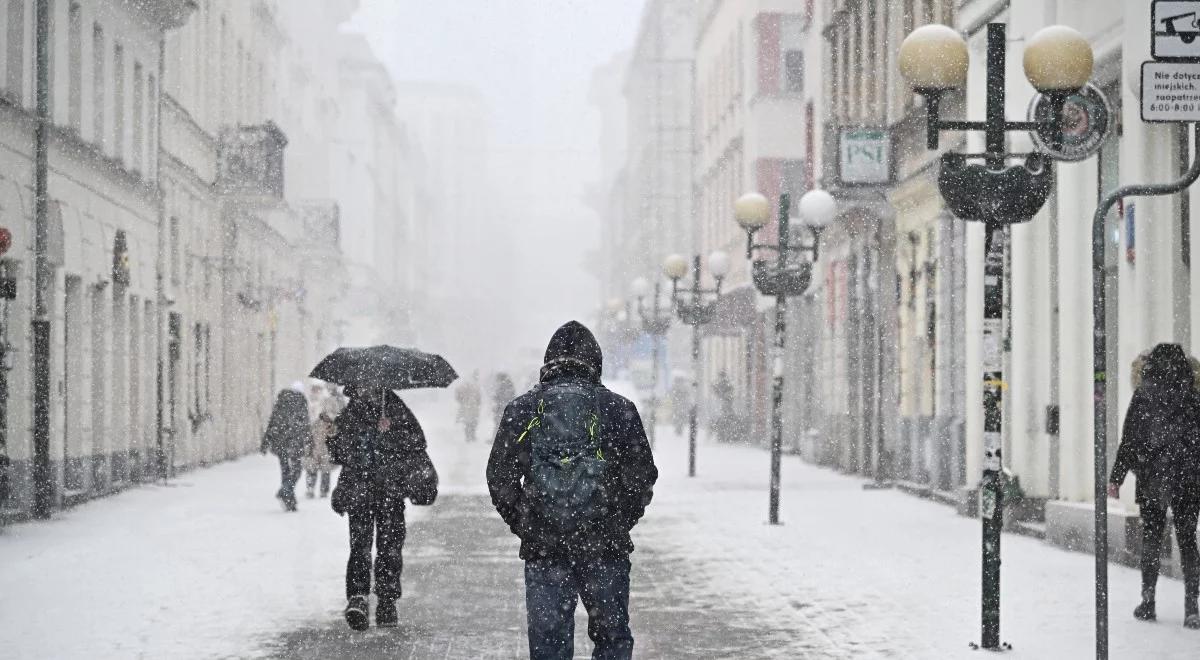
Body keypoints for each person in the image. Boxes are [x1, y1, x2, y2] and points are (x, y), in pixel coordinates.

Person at [487, 321, 658, 660]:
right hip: (604, 546)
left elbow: (499, 476)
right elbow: (642, 474)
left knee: (549, 642)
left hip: (545, 548)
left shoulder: (522, 409)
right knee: (612, 638)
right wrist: (618, 520)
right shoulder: (617, 408)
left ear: (548, 361)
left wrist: (527, 523)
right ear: (595, 362)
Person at [328, 385, 438, 631]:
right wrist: (333, 435)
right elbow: (339, 455)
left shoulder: (396, 409)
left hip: (390, 491)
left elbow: (416, 444)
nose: (365, 389)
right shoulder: (351, 413)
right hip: (360, 492)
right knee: (360, 547)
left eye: (370, 384)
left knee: (389, 547)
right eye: (362, 384)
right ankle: (358, 597)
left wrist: (390, 435)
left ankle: (387, 602)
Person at [1108, 343, 1200, 629]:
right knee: (1187, 541)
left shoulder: (1144, 394)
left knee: (1151, 539)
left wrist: (1117, 477)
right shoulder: (1193, 394)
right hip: (1188, 478)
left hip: (1153, 478)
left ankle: (1148, 602)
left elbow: (1130, 439)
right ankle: (1192, 609)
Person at [260, 383, 311, 512]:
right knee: (297, 470)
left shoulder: (281, 401)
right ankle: (285, 491)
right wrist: (309, 442)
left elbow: (273, 422)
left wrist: (266, 442)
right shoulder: (301, 402)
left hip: (280, 443)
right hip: (295, 442)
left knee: (286, 471)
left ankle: (290, 502)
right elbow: (305, 424)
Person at [304, 382, 341, 499]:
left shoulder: (331, 402)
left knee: (325, 466)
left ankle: (323, 490)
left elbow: (334, 425)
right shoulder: (311, 403)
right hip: (315, 441)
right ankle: (310, 488)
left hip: (325, 441)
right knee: (312, 466)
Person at [456, 371, 483, 442]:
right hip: (471, 406)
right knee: (471, 421)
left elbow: (458, 395)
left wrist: (462, 400)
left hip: (468, 406)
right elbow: (479, 397)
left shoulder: (466, 385)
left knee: (469, 421)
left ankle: (469, 435)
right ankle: (471, 435)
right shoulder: (475, 386)